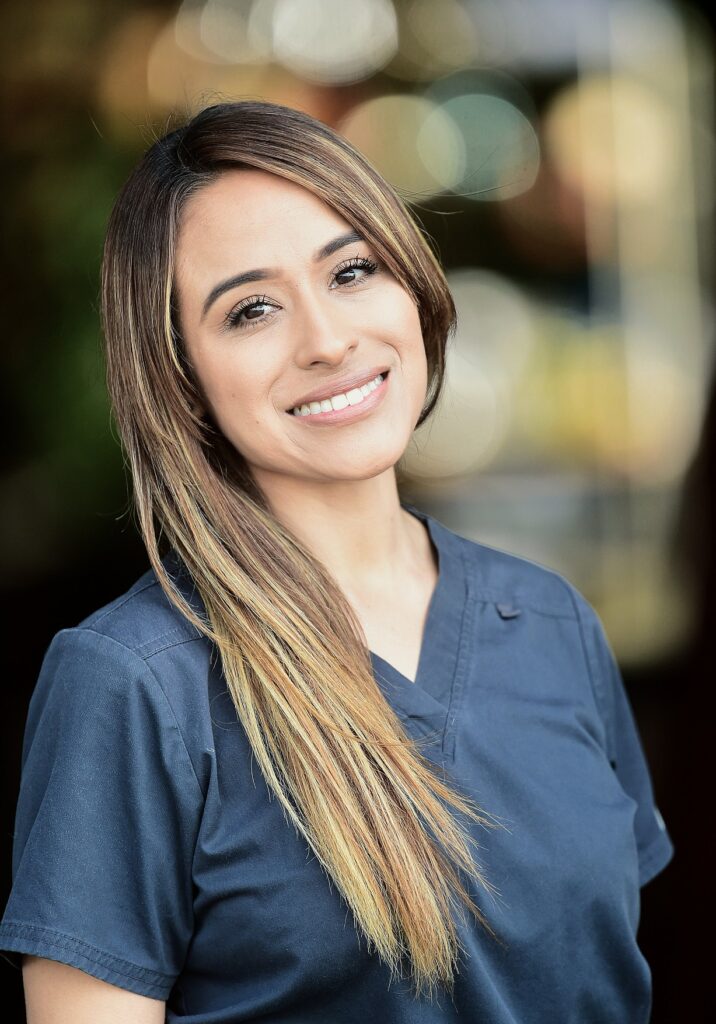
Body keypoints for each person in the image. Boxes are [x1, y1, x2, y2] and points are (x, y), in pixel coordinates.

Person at [0, 100, 673, 1023]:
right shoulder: (134, 684)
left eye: (352, 270)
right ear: (180, 377)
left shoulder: (551, 619)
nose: (326, 340)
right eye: (251, 310)